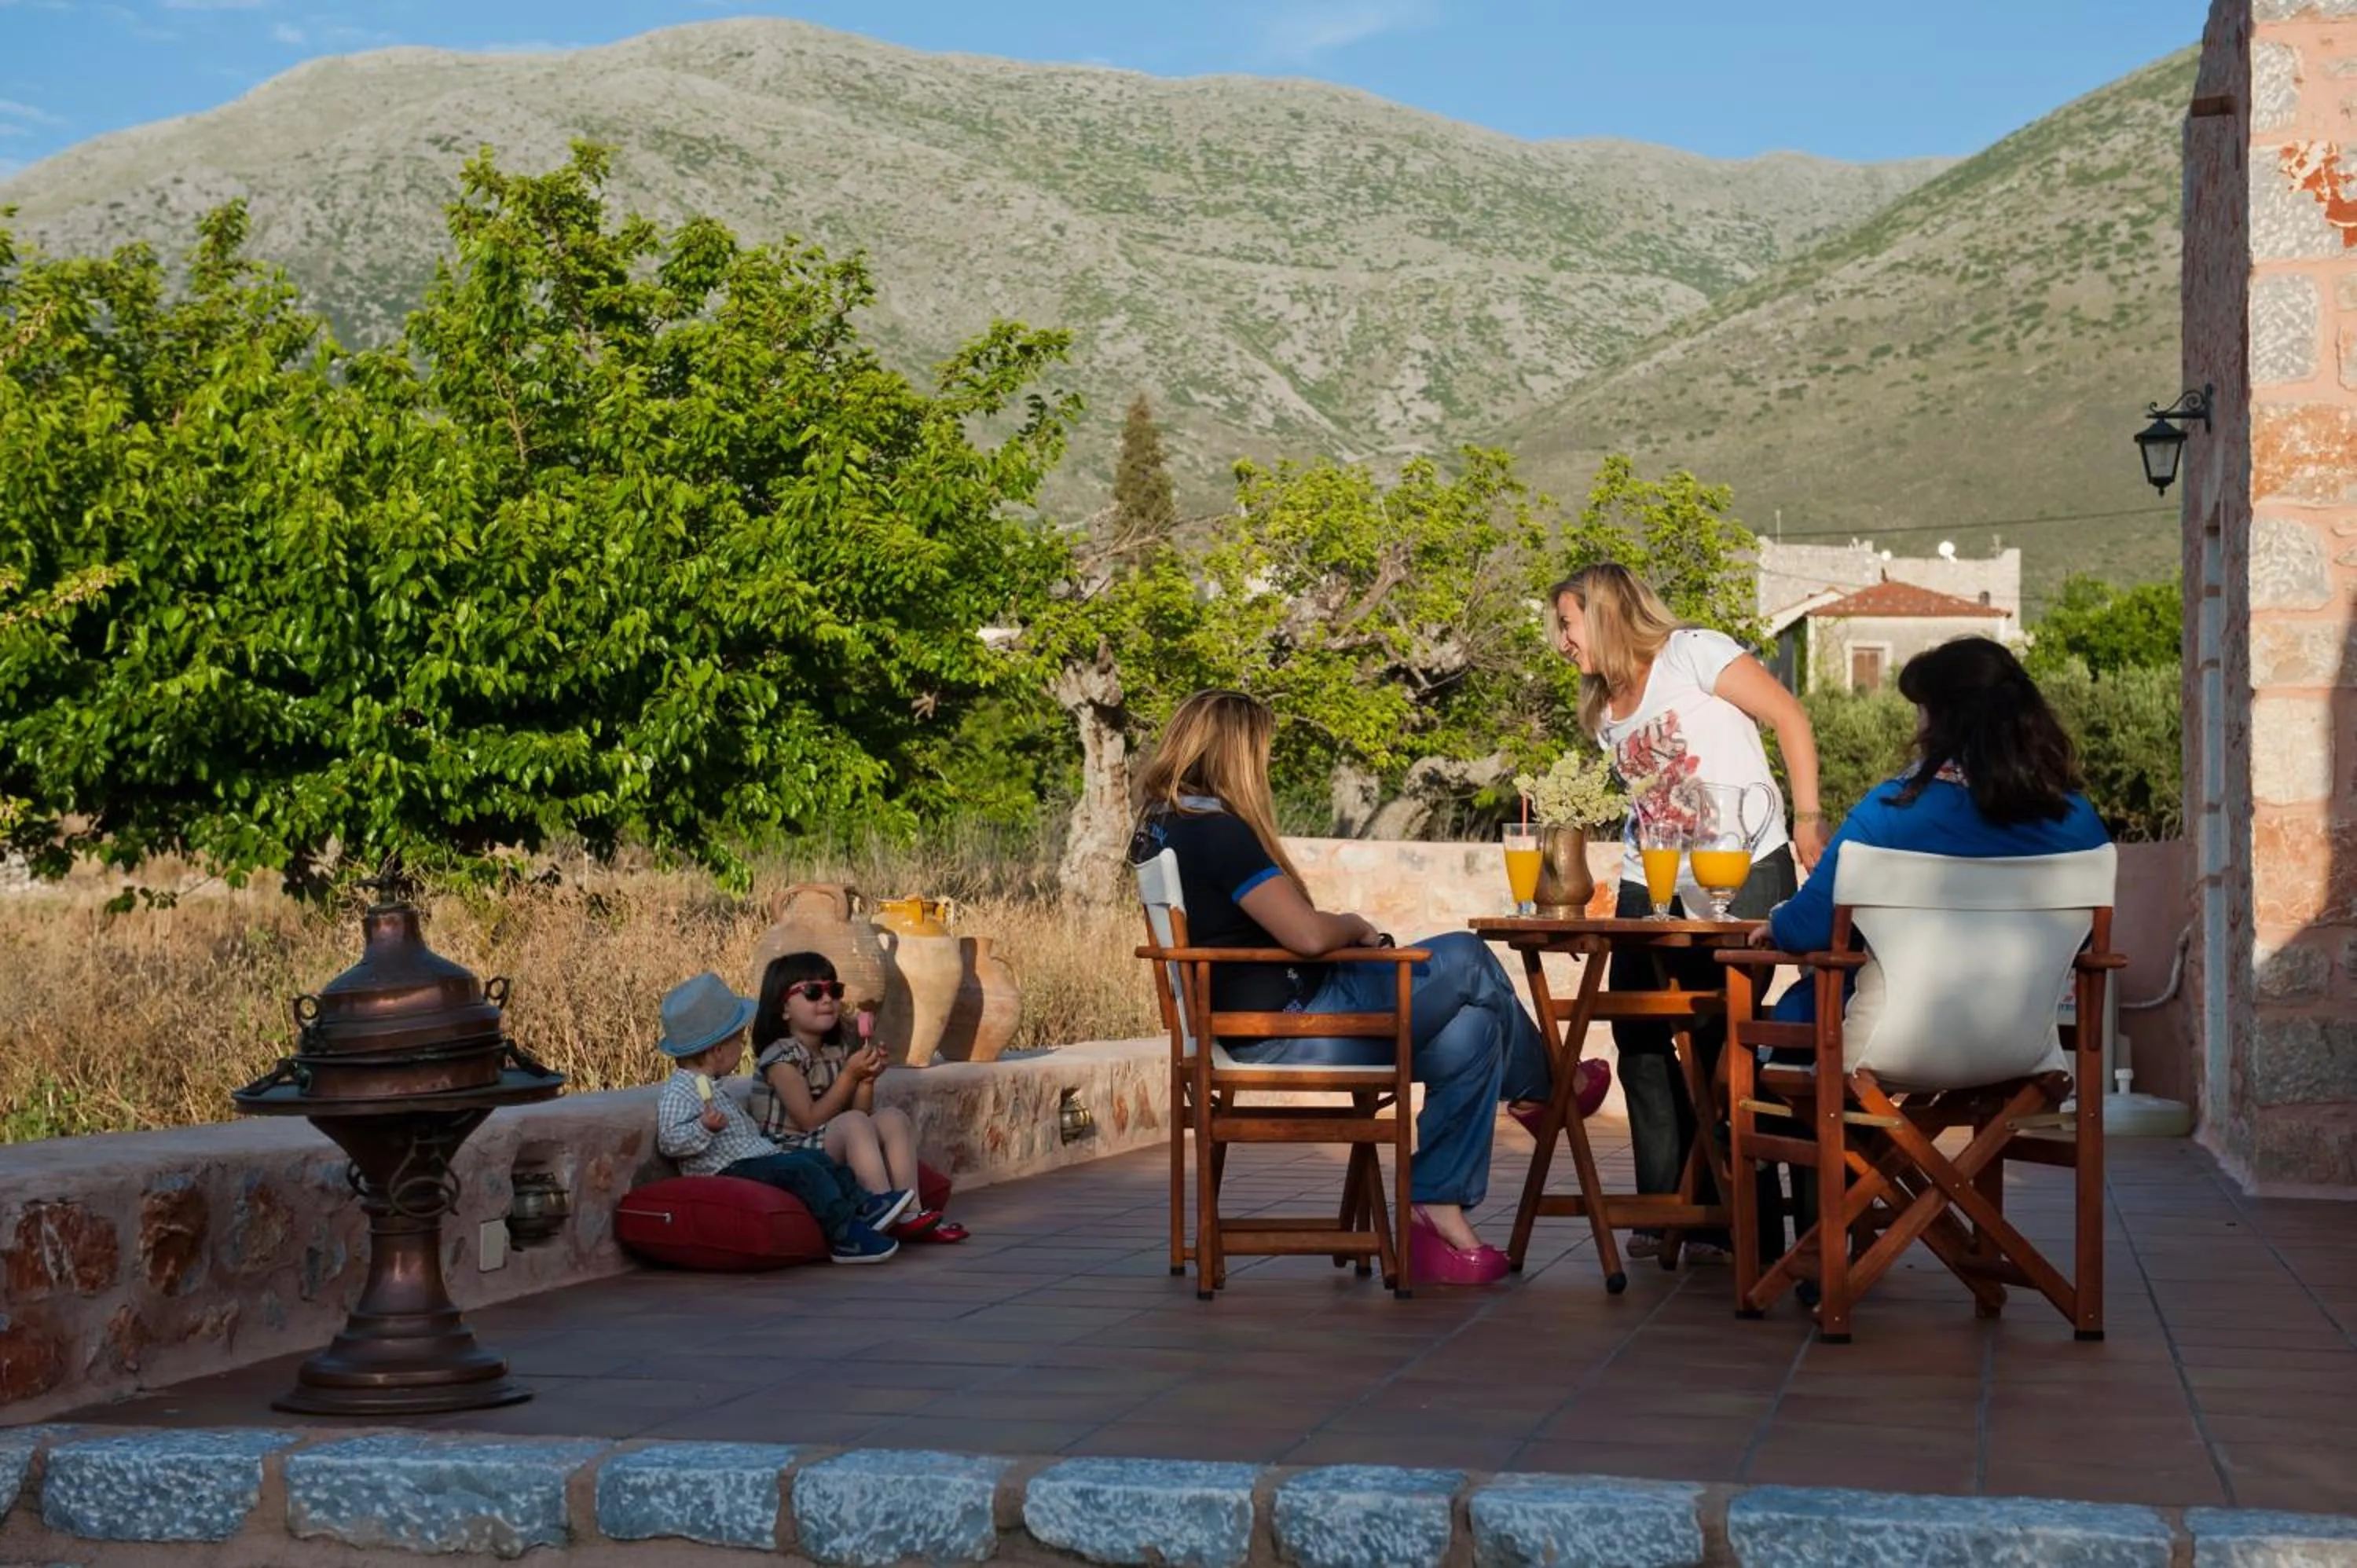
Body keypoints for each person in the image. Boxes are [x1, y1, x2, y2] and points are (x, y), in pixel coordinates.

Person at [1127, 688, 1557, 1286]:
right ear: (1238, 755)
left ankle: (1438, 1213)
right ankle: (1546, 1091)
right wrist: (1356, 926)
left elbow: (1268, 928)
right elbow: (1304, 935)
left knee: (1476, 1029)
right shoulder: (1218, 832)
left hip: (1262, 1022)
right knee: (1464, 955)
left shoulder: (1165, 828)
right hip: (1290, 1028)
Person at [1550, 562, 1825, 1263]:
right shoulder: (1604, 708)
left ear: (1606, 615)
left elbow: (1789, 715)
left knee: (1717, 1037)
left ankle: (1747, 1224)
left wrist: (1809, 817)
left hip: (1744, 867)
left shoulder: (1692, 651)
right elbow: (1648, 808)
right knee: (1639, 1037)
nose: (1561, 640)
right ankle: (1669, 1206)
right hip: (1655, 881)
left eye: (1567, 622)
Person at [1747, 634, 2111, 992]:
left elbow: (1808, 926)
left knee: (1800, 1006)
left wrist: (1779, 924)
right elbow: (2081, 935)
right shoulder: (2078, 820)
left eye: (1921, 710)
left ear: (1942, 721)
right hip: (2027, 1042)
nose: (1918, 726)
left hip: (1886, 1041)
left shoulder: (1889, 812)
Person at [652, 970, 909, 1265]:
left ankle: (864, 1206)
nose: (742, 1046)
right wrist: (703, 1127)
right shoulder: (680, 1089)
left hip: (753, 1159)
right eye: (738, 1039)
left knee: (817, 1161)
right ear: (718, 1051)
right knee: (801, 1170)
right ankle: (844, 1236)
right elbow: (670, 1140)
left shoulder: (712, 1086)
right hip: (730, 1169)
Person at [748, 952, 966, 1244]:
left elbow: (860, 1115)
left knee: (892, 1118)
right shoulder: (781, 1057)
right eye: (812, 992)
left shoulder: (835, 1051)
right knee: (852, 1124)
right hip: (791, 1152)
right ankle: (878, 1209)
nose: (827, 1000)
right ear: (784, 1008)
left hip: (828, 1139)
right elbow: (809, 1120)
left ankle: (909, 1212)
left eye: (834, 991)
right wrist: (849, 1077)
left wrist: (865, 1080)